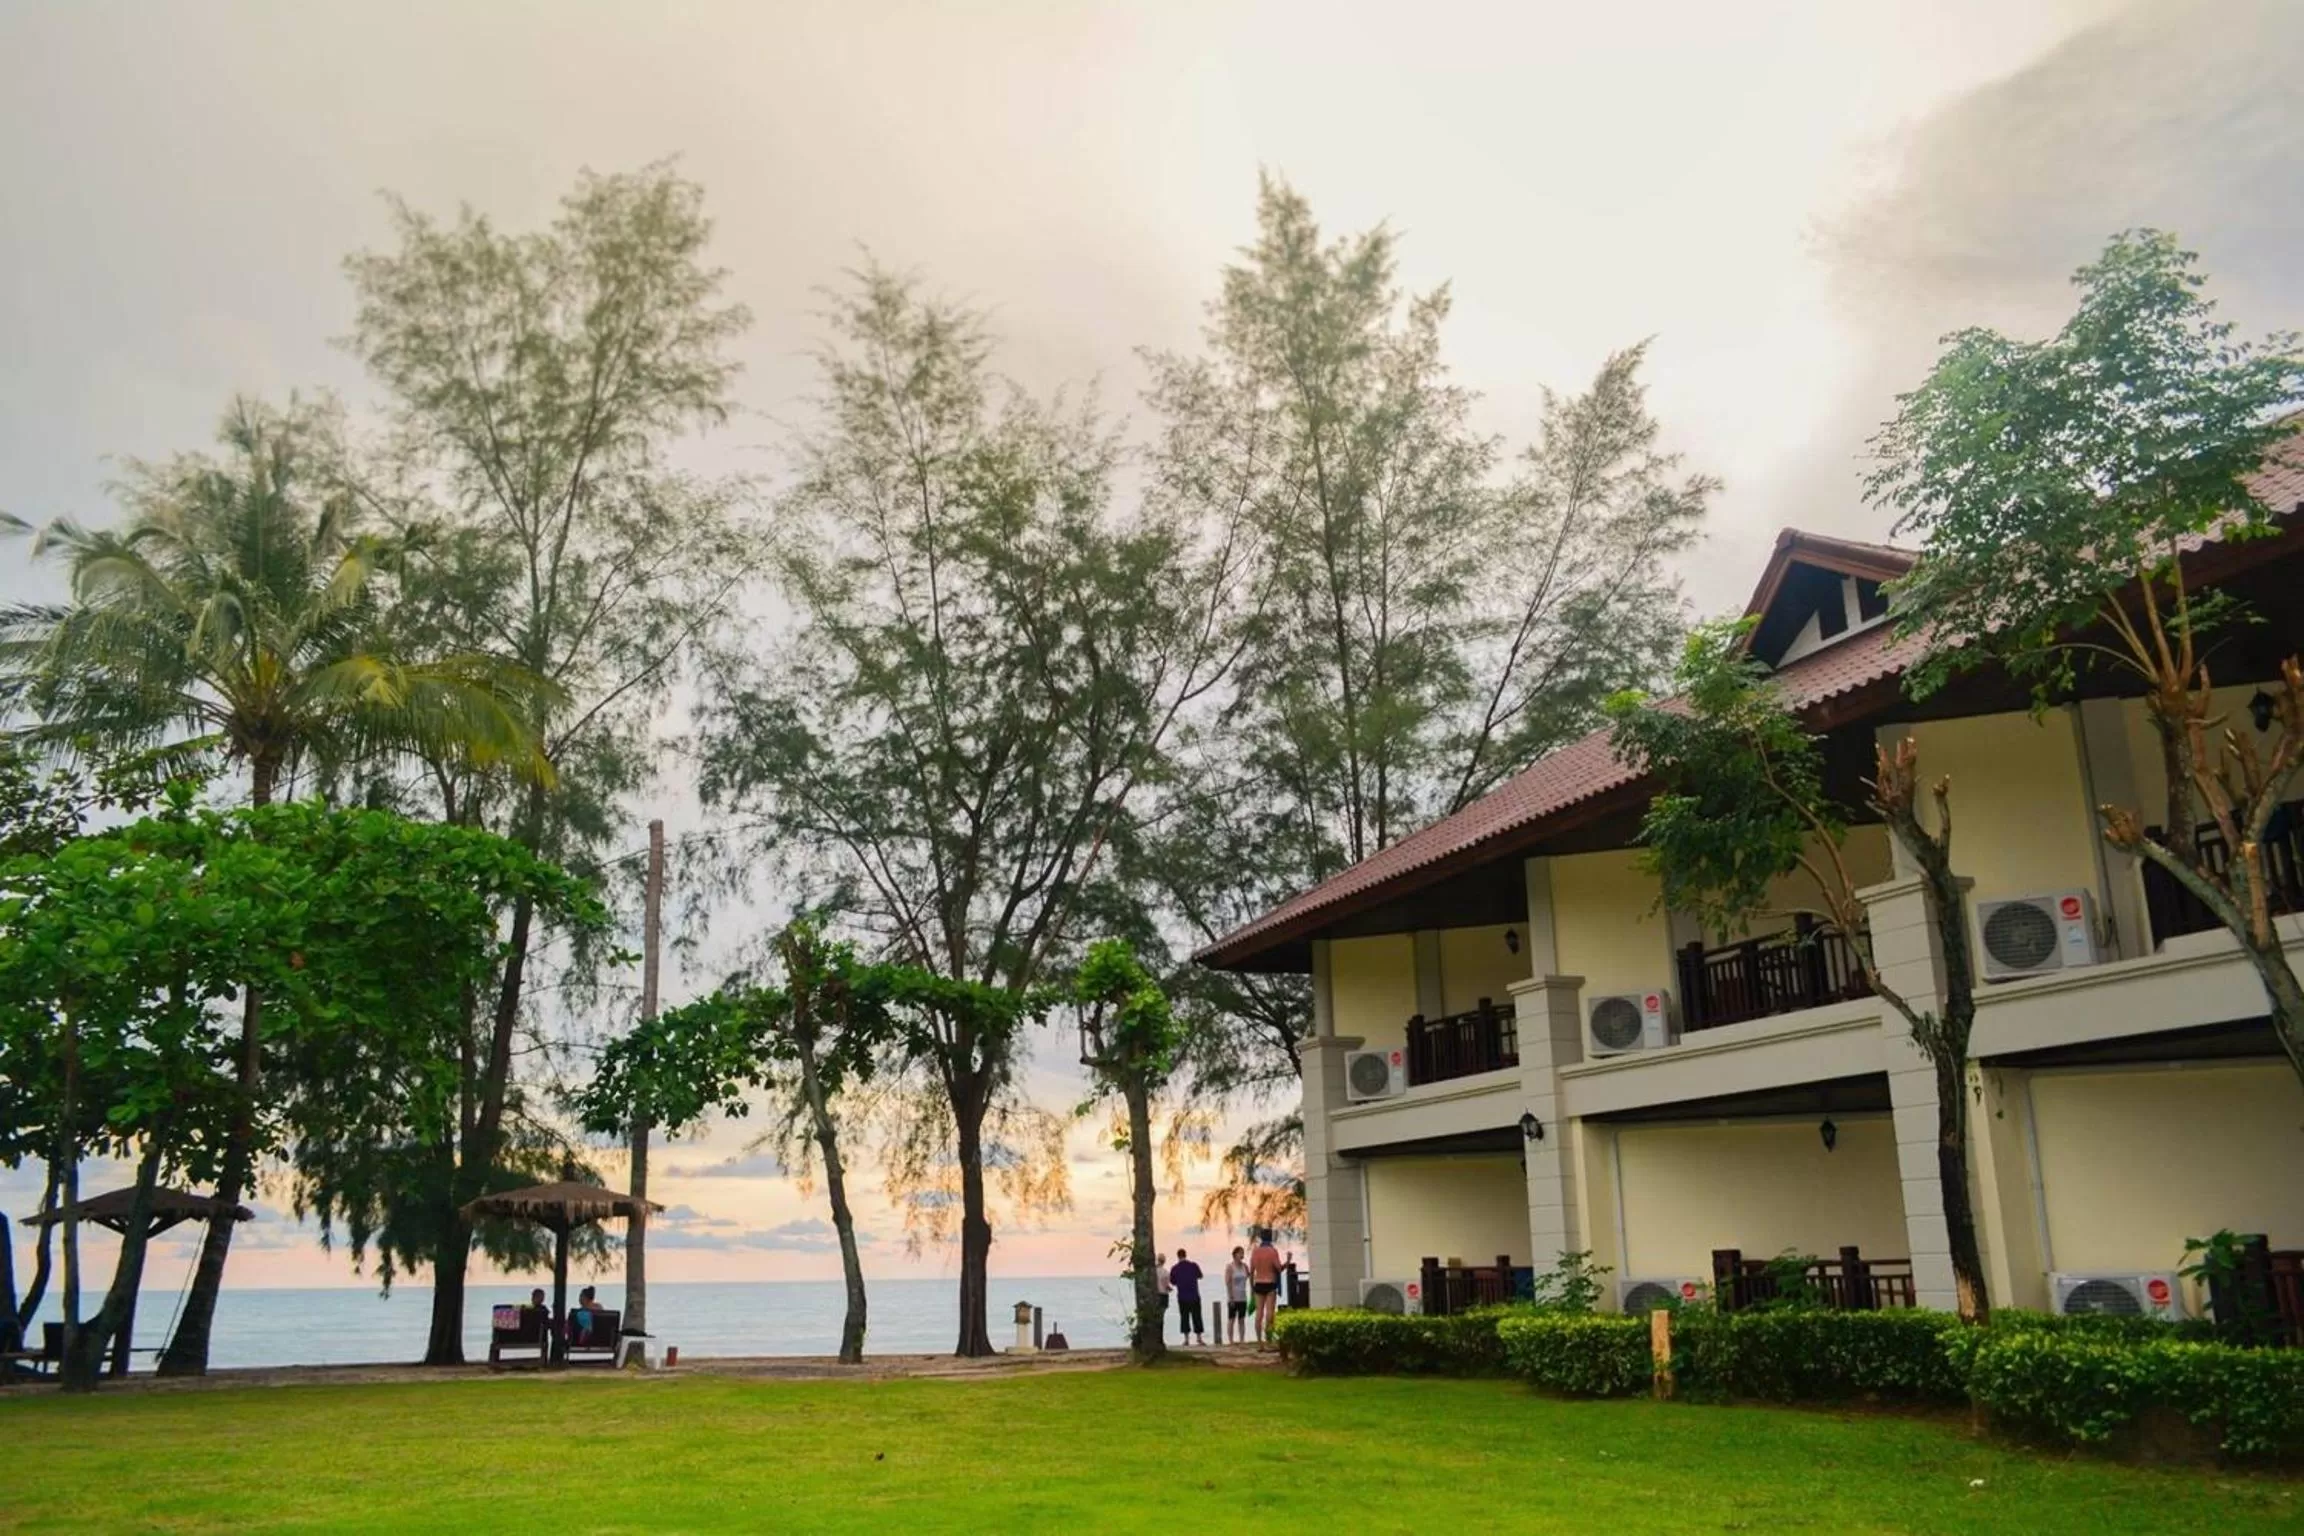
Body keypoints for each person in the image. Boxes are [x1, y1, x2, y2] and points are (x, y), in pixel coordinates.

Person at [1249, 1230, 1285, 1344]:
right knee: (1270, 1312)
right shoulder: (1272, 1251)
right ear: (1271, 1238)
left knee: (1259, 1313)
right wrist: (1288, 1262)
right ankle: (1268, 1338)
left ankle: (1259, 1341)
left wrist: (1251, 1288)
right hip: (1270, 1283)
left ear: (1261, 1238)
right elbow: (1279, 1268)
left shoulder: (1255, 1252)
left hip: (1258, 1283)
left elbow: (1251, 1271)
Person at [1168, 1248, 1206, 1346]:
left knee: (1184, 1317)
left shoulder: (1175, 1268)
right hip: (1194, 1295)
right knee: (1197, 1316)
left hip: (1182, 1297)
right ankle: (1199, 1338)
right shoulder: (1193, 1266)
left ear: (1178, 1256)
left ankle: (1186, 1339)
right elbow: (1200, 1276)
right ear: (1185, 1255)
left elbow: (1172, 1282)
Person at [1222, 1246, 1251, 1345]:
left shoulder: (1245, 1266)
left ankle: (1242, 1339)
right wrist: (1231, 1297)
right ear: (1235, 1254)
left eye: (1243, 1253)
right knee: (1231, 1319)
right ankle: (1231, 1340)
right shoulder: (1230, 1267)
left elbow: (1249, 1277)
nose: (1242, 1255)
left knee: (1241, 1319)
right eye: (1240, 1253)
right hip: (1233, 1297)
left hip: (1243, 1296)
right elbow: (1227, 1282)